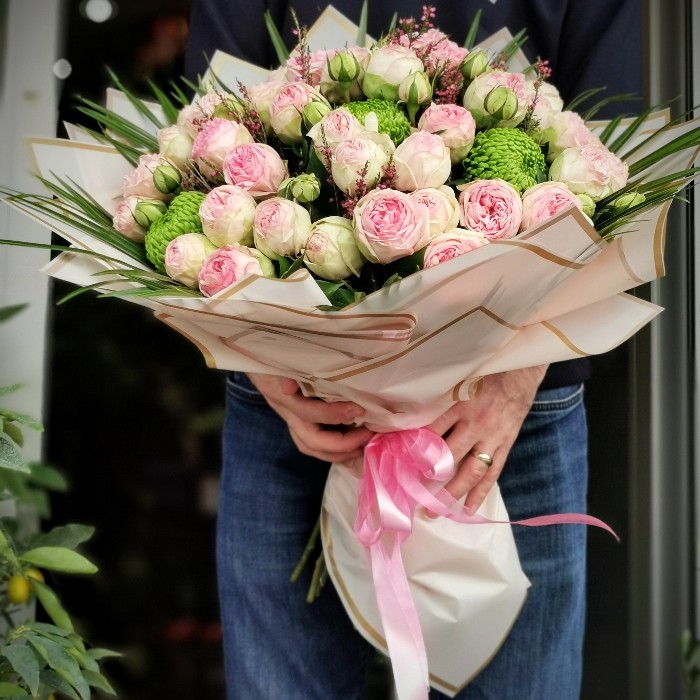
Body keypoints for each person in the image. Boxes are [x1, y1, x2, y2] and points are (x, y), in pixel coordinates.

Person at [184, 2, 643, 698]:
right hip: (295, 400)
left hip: (509, 406)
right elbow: (203, 127)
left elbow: (619, 162)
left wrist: (516, 381)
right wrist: (258, 356)